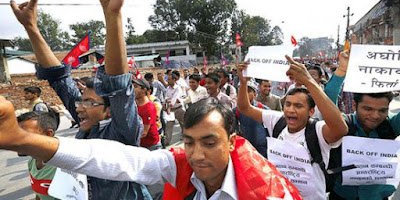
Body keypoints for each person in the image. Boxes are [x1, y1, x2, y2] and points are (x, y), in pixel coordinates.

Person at [10, 0, 151, 199]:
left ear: (110, 112)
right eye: (81, 101)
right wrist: (31, 27)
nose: (78, 107)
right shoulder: (88, 128)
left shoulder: (121, 135)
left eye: (88, 102)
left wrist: (112, 14)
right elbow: (59, 78)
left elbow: (118, 85)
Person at [0, 97, 302, 200]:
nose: (196, 155)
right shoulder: (181, 163)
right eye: (188, 141)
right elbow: (123, 160)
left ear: (232, 143)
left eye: (210, 143)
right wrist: (24, 140)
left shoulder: (269, 193)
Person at [237, 55, 348, 199]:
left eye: (298, 106)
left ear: (311, 111)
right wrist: (243, 83)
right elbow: (245, 108)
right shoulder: (277, 121)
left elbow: (341, 129)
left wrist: (308, 81)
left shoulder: (318, 130)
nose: (290, 110)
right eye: (288, 104)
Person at [330, 92, 400, 200]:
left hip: (377, 197)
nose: (375, 116)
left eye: (382, 110)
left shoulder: (390, 126)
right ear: (354, 105)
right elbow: (329, 98)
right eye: (368, 109)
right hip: (342, 195)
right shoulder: (343, 125)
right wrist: (339, 75)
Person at [17, 111, 59, 200]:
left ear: (48, 134)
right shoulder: (32, 161)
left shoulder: (64, 167)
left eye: (24, 134)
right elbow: (39, 194)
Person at [233, 80, 269, 157]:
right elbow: (233, 129)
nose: (245, 94)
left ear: (255, 94)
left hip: (263, 149)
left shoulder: (263, 109)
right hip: (246, 148)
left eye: (248, 91)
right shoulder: (236, 111)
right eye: (242, 91)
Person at [133, 78, 161, 150]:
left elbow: (144, 133)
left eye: (135, 87)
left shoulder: (148, 108)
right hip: (141, 145)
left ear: (144, 90)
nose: (133, 89)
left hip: (151, 146)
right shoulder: (135, 105)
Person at [164, 73, 185, 146]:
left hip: (179, 109)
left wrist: (169, 105)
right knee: (169, 125)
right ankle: (167, 141)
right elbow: (166, 98)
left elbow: (175, 98)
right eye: (167, 79)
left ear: (174, 80)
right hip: (172, 110)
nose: (168, 81)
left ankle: (185, 136)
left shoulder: (178, 88)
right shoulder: (168, 88)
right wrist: (168, 102)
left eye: (169, 79)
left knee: (183, 123)